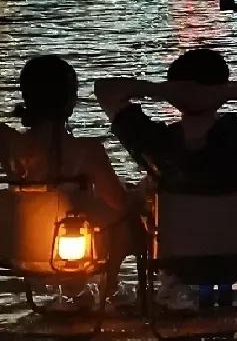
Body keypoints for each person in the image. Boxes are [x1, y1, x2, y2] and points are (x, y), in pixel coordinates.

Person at [0, 54, 145, 296]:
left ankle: (75, 294)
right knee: (130, 221)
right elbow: (118, 204)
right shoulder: (88, 151)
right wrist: (140, 196)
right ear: (70, 100)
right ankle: (109, 290)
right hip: (75, 252)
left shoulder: (8, 144)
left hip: (19, 251)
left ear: (26, 97)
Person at [95, 47, 237, 194]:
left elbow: (105, 90)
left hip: (174, 254)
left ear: (173, 91)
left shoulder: (154, 144)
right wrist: (232, 90)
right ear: (221, 87)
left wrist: (159, 89)